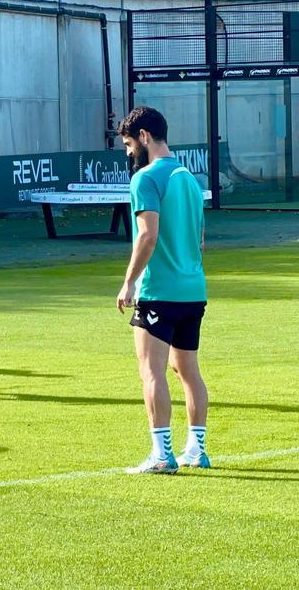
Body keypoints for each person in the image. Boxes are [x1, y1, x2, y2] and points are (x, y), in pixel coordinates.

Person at [115, 106, 210, 474]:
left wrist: (129, 281)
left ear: (143, 137)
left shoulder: (145, 178)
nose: (127, 153)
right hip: (193, 289)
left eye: (127, 143)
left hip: (159, 291)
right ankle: (197, 450)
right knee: (188, 369)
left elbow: (147, 235)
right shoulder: (190, 177)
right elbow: (200, 241)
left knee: (151, 371)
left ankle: (161, 454)